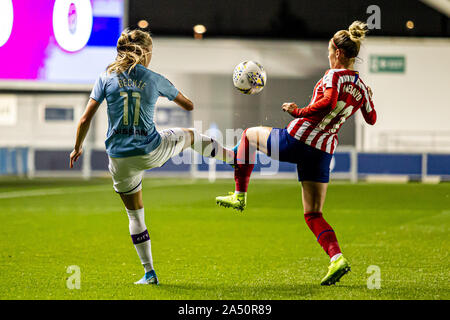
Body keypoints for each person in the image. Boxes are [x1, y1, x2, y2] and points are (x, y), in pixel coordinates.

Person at [216, 21, 377, 285]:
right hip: (323, 153)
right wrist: (368, 96)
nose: (328, 55)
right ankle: (337, 258)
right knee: (313, 213)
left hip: (299, 140)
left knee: (248, 135)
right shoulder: (361, 87)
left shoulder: (332, 75)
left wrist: (296, 111)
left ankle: (239, 195)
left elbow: (325, 102)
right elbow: (371, 118)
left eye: (329, 50)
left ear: (337, 52)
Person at [69, 29, 233, 285]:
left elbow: (84, 118)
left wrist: (77, 147)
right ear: (146, 52)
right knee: (190, 135)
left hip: (119, 158)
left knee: (135, 216)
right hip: (150, 149)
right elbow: (188, 105)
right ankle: (234, 159)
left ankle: (149, 273)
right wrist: (161, 92)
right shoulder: (153, 78)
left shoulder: (105, 77)